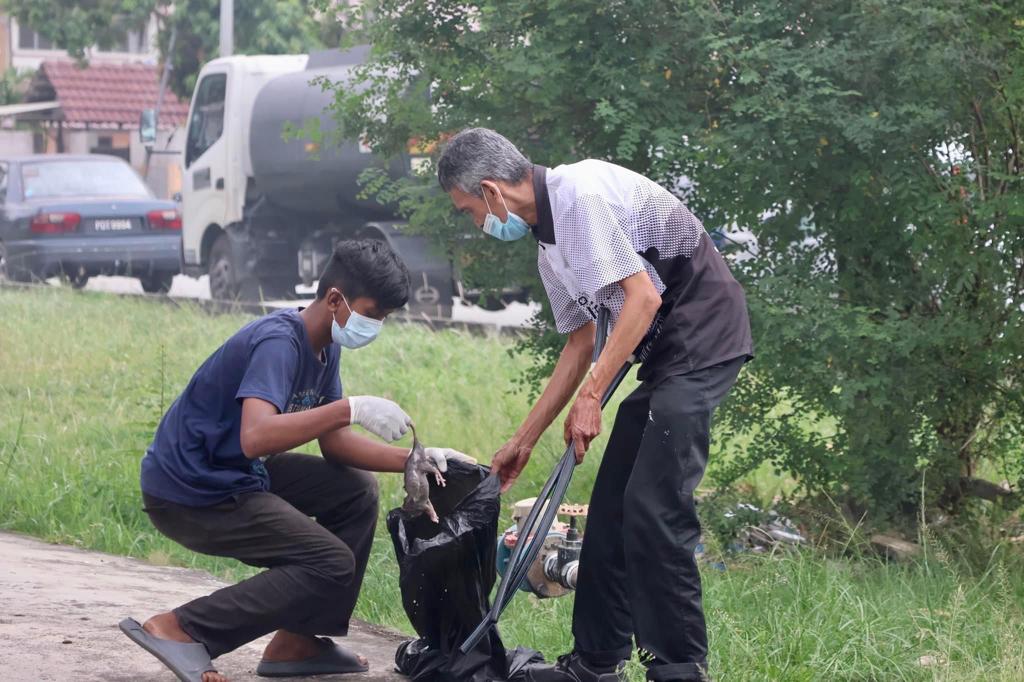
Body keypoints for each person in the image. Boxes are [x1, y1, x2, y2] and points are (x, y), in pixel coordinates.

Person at [437, 129, 753, 682]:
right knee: (610, 508)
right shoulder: (549, 243)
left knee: (654, 508)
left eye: (468, 211)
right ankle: (595, 664)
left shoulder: (580, 196)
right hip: (664, 353)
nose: (477, 225)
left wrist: (591, 397)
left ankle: (679, 668)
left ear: (491, 191)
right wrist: (524, 440)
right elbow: (581, 343)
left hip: (703, 337)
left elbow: (644, 298)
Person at [119, 239, 472, 682]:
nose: (376, 325)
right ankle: (182, 628)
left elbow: (335, 444)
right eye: (372, 313)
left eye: (383, 318)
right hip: (190, 490)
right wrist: (352, 407)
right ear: (334, 299)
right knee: (330, 561)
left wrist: (414, 459)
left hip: (234, 474)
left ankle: (298, 642)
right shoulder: (279, 341)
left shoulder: (326, 347)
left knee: (357, 490)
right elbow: (255, 436)